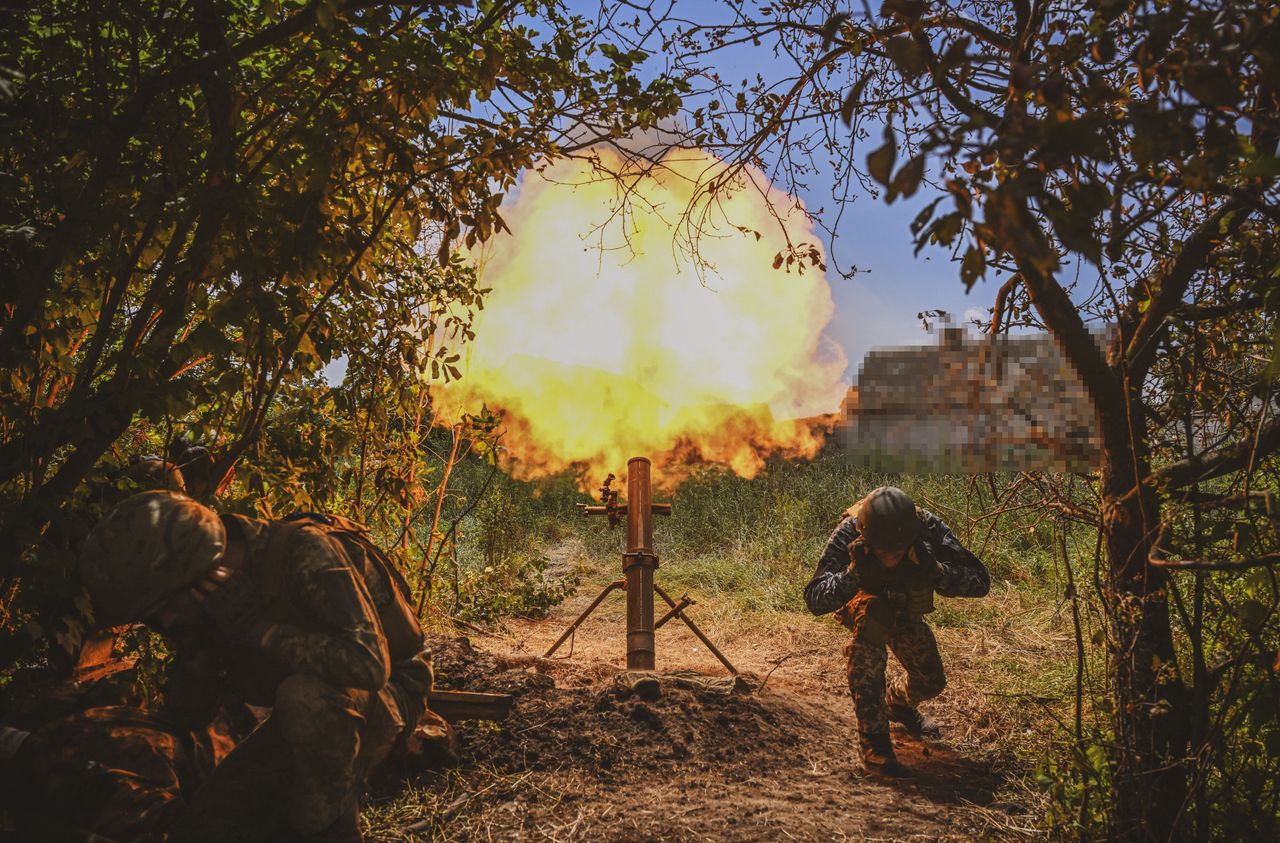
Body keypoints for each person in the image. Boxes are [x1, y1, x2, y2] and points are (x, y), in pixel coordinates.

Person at [79, 491, 437, 842]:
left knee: (305, 697)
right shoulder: (211, 604)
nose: (166, 621)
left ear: (204, 575)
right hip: (296, 719)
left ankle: (332, 832)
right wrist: (199, 656)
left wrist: (261, 631)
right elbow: (188, 717)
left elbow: (370, 665)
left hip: (390, 696)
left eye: (164, 609)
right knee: (201, 831)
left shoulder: (305, 553)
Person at [804, 486, 989, 777]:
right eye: (882, 549)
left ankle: (898, 705)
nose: (890, 556)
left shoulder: (928, 528)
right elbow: (816, 599)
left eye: (898, 548)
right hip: (864, 604)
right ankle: (874, 741)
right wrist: (853, 574)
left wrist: (937, 571)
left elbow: (979, 582)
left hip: (903, 608)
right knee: (873, 622)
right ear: (865, 536)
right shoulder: (849, 530)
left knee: (931, 680)